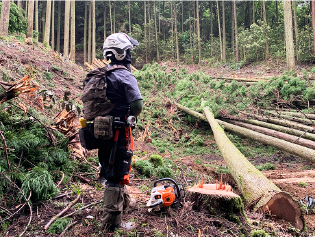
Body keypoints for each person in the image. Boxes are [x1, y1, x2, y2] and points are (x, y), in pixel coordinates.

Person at [97, 33, 143, 232]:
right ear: (121, 53)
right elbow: (138, 105)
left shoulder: (102, 73)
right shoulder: (125, 75)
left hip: (101, 129)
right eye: (129, 51)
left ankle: (122, 202)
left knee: (110, 166)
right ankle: (112, 222)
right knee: (118, 171)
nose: (130, 55)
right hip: (119, 130)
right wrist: (131, 114)